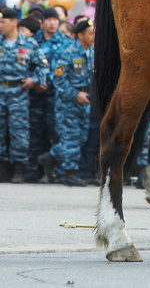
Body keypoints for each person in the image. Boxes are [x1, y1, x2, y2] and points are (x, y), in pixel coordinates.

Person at [0, 7, 45, 183]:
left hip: (19, 93)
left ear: (14, 22)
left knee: (20, 132)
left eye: (3, 22)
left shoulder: (30, 44)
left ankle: (19, 168)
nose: (0, 25)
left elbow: (43, 67)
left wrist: (34, 80)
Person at [42, 18, 95, 186]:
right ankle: (69, 173)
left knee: (80, 138)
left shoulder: (93, 52)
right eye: (90, 33)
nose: (94, 36)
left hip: (85, 101)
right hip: (68, 102)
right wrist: (74, 94)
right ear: (80, 35)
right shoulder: (68, 52)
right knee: (70, 138)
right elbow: (57, 80)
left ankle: (48, 158)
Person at [27, 8, 66, 182]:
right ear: (41, 22)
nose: (52, 23)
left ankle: (53, 171)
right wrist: (36, 82)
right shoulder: (31, 42)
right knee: (34, 134)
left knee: (56, 133)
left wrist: (48, 83)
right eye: (48, 19)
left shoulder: (66, 42)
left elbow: (66, 70)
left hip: (56, 96)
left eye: (55, 19)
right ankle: (32, 171)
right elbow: (25, 66)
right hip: (34, 95)